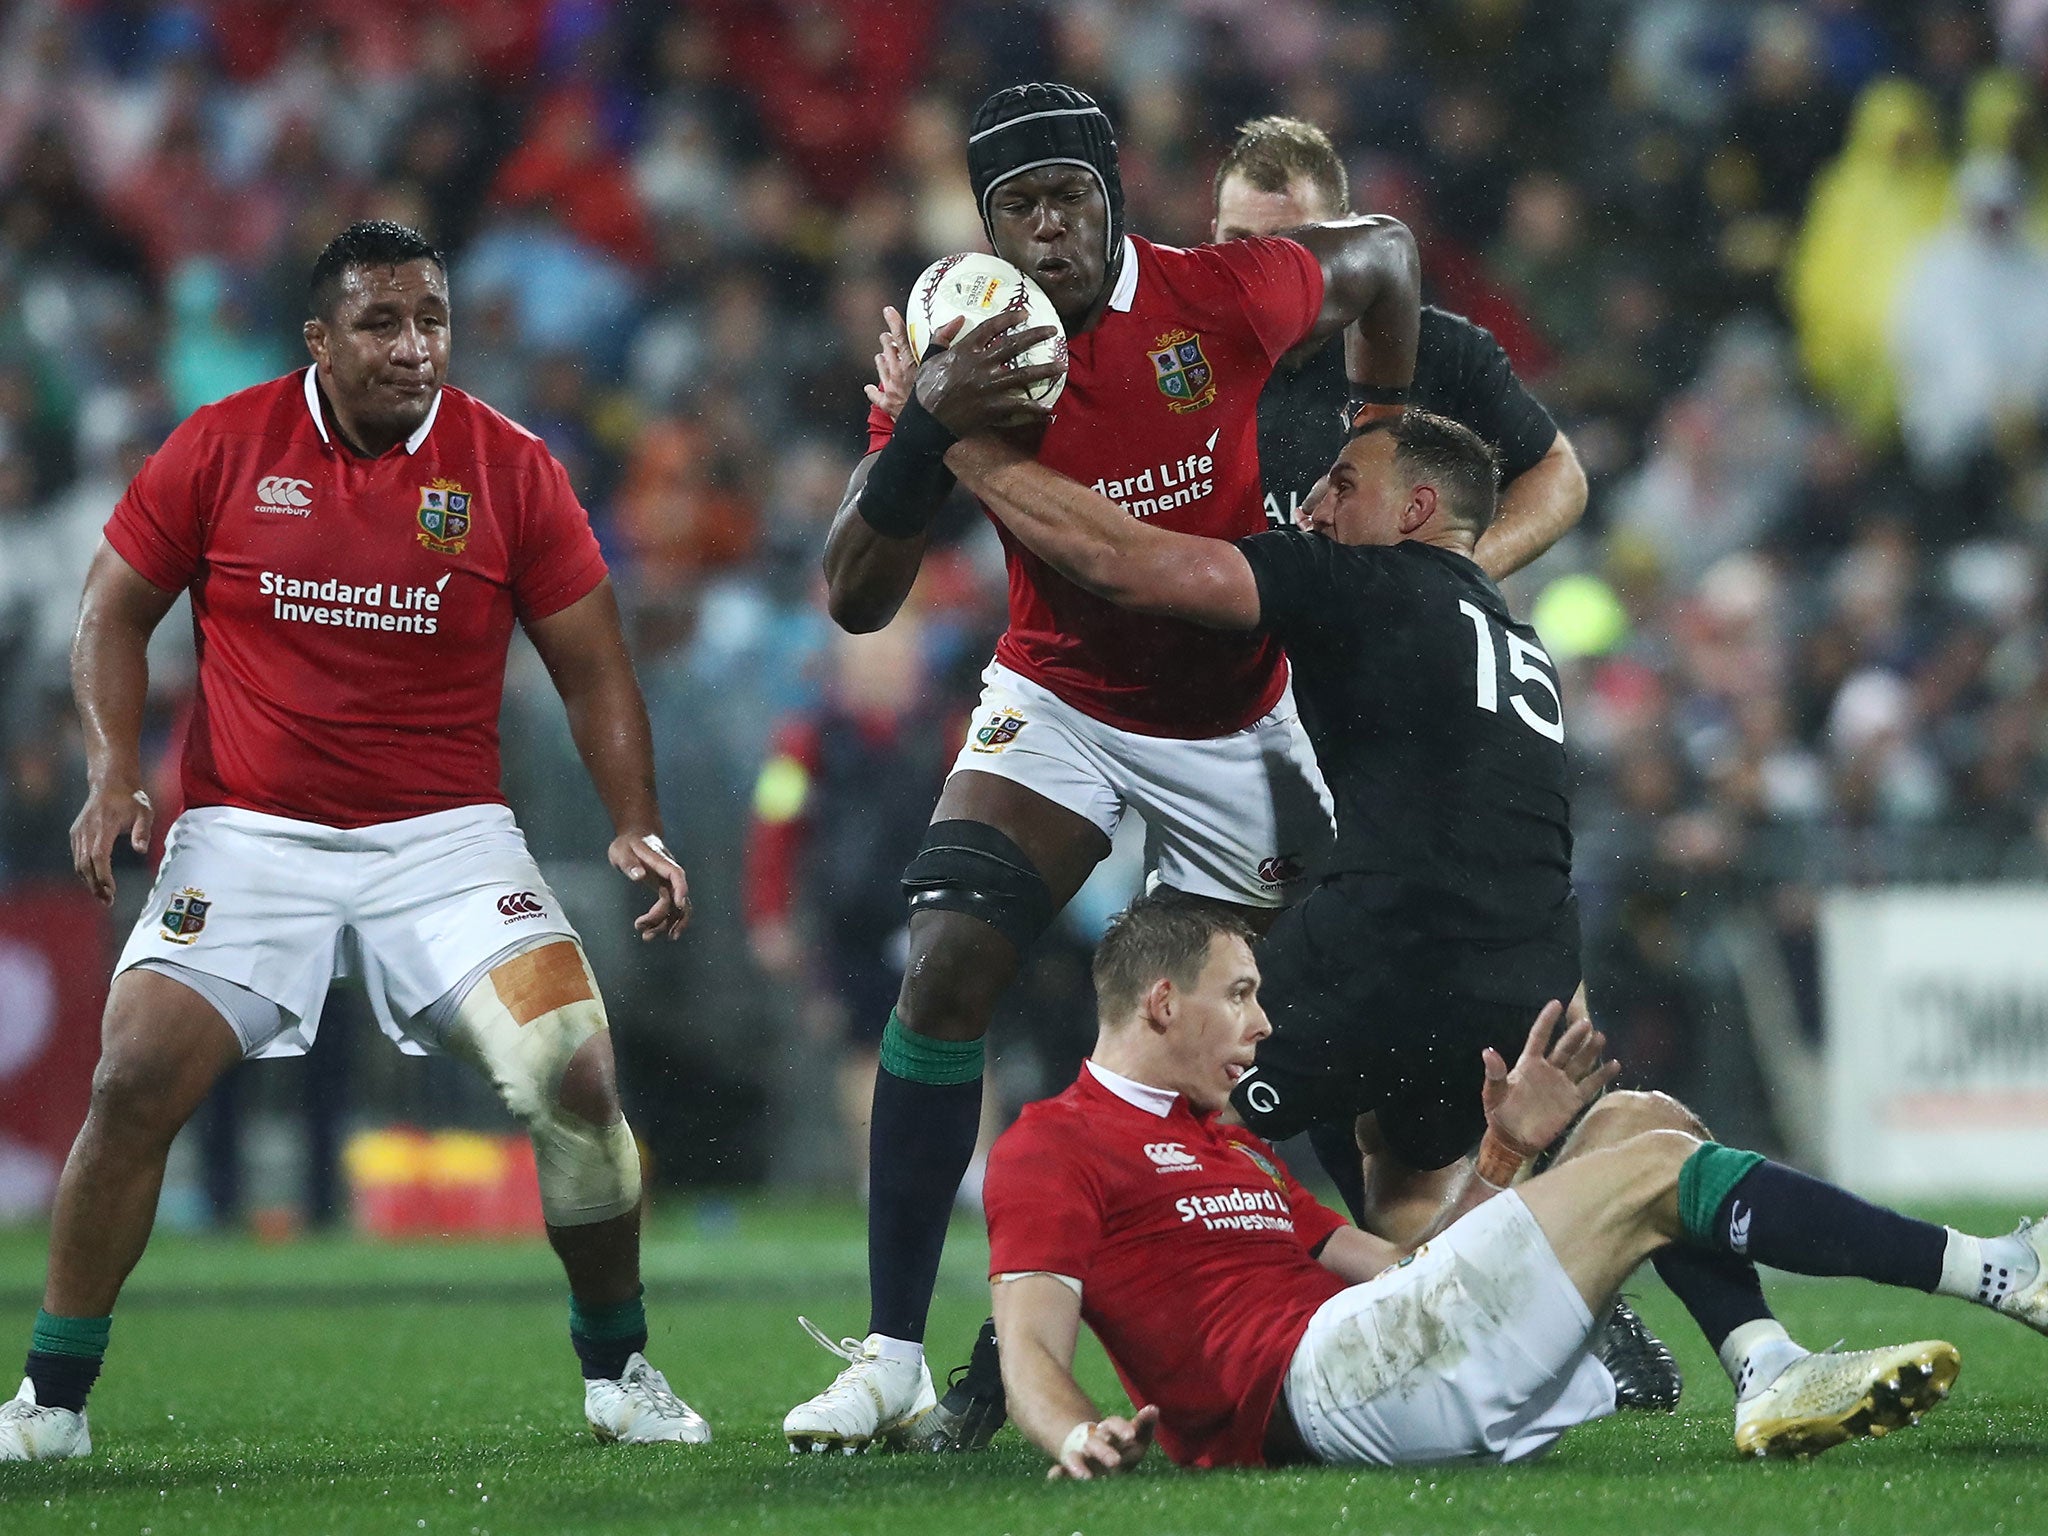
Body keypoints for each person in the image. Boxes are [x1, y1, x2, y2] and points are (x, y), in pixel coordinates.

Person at [0, 221, 707, 1462]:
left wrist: (634, 823)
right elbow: (110, 611)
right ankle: (51, 1404)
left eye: (431, 320)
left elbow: (593, 668)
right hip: (245, 841)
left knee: (578, 1078)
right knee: (128, 1081)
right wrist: (114, 772)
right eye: (381, 324)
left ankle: (619, 1368)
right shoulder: (222, 444)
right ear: (318, 340)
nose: (413, 347)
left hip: (449, 847)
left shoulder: (511, 467)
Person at [786, 81, 1421, 1454]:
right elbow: (851, 599)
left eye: (1070, 195)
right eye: (1019, 206)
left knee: (1266, 1071)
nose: (1050, 226)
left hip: (1237, 729)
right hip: (1060, 699)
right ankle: (893, 1356)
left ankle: (1411, 1299)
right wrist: (921, 430)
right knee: (947, 956)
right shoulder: (971, 350)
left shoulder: (1229, 294)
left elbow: (1388, 261)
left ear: (1113, 196)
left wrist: (1377, 431)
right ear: (989, 224)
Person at [985, 894, 2048, 1474]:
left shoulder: (1232, 1150)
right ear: (1162, 1004)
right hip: (1316, 1393)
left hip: (1379, 1352)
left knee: (1640, 1123)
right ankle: (1996, 1274)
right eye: (1240, 996)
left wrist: (1502, 1156)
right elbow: (1030, 1336)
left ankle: (1766, 1366)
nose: (1263, 1024)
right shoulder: (1055, 1141)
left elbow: (1409, 1268)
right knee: (1657, 1171)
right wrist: (1076, 1428)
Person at [1213, 116, 1587, 577]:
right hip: (1226, 645)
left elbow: (1557, 474)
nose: (1260, 273)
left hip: (1384, 645)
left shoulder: (1436, 350)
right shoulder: (1169, 362)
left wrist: (1457, 576)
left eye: (1289, 245)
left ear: (1349, 237)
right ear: (1210, 235)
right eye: (1237, 243)